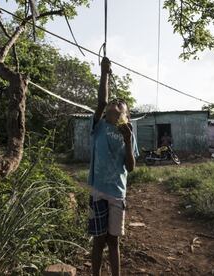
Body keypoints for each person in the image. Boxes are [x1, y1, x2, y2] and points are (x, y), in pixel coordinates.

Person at [88, 57, 139, 276]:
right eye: (112, 102)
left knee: (114, 241)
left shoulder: (128, 134)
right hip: (98, 190)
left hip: (117, 192)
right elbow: (101, 101)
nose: (114, 103)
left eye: (120, 104)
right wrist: (104, 73)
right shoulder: (99, 126)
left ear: (126, 116)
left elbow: (131, 167)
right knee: (99, 240)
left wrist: (128, 142)